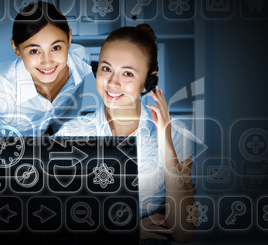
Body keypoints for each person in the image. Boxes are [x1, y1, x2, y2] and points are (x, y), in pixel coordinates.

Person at [55, 25, 198, 243]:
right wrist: (126, 230)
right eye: (106, 69)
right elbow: (56, 220)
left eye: (128, 73)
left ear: (149, 81)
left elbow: (184, 231)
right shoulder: (70, 134)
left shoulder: (177, 134)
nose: (112, 82)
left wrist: (166, 143)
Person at [0, 1, 99, 199]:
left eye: (56, 47)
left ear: (69, 39)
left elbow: (69, 113)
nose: (47, 61)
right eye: (34, 50)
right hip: (1, 170)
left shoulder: (80, 60)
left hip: (46, 161)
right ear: (16, 49)